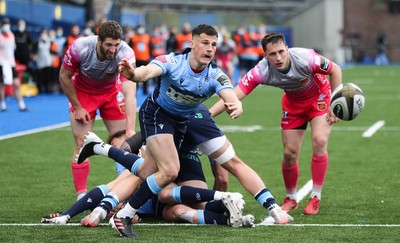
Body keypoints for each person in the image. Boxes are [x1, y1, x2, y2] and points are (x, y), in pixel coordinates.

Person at [76, 24, 244, 238]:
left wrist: (235, 104)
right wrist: (134, 74)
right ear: (191, 43)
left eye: (213, 44)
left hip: (180, 123)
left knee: (148, 173)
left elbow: (229, 93)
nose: (210, 48)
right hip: (156, 114)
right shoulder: (173, 61)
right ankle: (125, 215)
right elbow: (147, 72)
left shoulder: (215, 75)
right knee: (170, 171)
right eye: (204, 43)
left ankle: (100, 148)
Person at [77, 104, 292, 238]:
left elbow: (232, 92)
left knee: (191, 200)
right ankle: (101, 152)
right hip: (167, 141)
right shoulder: (167, 85)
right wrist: (102, 210)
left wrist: (232, 102)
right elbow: (116, 184)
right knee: (163, 191)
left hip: (191, 137)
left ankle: (264, 207)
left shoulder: (205, 76)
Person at [210, 32, 342, 215]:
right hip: (293, 105)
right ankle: (291, 198)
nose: (278, 58)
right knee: (289, 153)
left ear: (287, 49)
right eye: (273, 54)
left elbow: (335, 70)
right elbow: (233, 95)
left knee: (319, 141)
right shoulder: (261, 71)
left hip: (319, 98)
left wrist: (335, 104)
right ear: (265, 55)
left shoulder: (306, 58)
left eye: (281, 52)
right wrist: (206, 115)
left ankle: (315, 197)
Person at [42, 128, 253, 228]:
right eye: (117, 145)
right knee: (180, 212)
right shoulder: (124, 163)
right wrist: (68, 213)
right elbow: (111, 190)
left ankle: (224, 198)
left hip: (162, 190)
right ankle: (232, 218)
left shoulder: (143, 153)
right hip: (156, 205)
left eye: (123, 144)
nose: (123, 147)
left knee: (155, 186)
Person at [59, 20, 137, 201]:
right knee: (82, 144)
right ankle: (81, 197)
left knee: (123, 142)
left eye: (116, 45)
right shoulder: (80, 47)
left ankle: (121, 196)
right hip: (83, 93)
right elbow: (64, 76)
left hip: (111, 92)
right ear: (99, 40)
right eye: (109, 45)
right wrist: (77, 106)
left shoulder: (125, 53)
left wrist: (130, 129)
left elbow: (130, 92)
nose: (113, 49)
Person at [0, 17, 28, 112]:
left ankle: (21, 105)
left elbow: (13, 50)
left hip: (11, 63)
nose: (6, 25)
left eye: (7, 23)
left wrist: (13, 62)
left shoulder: (11, 35)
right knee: (2, 85)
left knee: (16, 83)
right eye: (4, 23)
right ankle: (3, 104)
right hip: (1, 63)